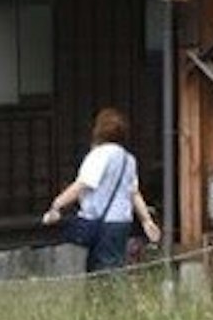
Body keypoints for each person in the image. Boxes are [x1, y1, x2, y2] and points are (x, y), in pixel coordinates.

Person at [41, 107, 156, 274]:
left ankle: (107, 298)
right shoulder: (128, 159)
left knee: (104, 270)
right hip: (122, 222)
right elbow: (134, 193)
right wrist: (147, 220)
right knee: (110, 264)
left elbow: (82, 184)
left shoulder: (99, 155)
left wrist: (56, 204)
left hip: (99, 223)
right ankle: (100, 297)